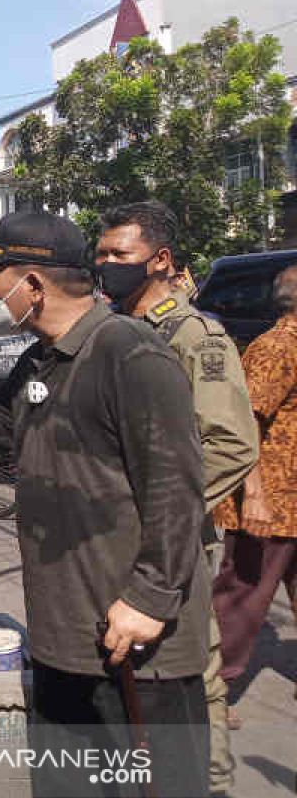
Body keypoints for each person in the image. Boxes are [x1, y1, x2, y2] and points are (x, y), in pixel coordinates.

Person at [0, 212, 210, 797]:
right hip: (67, 637)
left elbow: (176, 484)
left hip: (138, 646)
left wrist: (150, 596)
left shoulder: (128, 353)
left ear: (32, 286)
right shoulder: (41, 359)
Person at [95, 201, 258, 797]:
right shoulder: (121, 330)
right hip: (122, 532)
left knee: (193, 669)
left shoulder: (196, 337)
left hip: (175, 532)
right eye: (102, 254)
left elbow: (232, 444)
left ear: (160, 261)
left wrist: (167, 507)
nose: (107, 265)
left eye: (121, 255)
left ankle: (209, 784)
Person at [213, 265, 297, 718]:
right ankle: (211, 690)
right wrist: (256, 495)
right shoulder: (277, 347)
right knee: (242, 600)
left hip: (293, 500)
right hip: (270, 503)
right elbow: (245, 423)